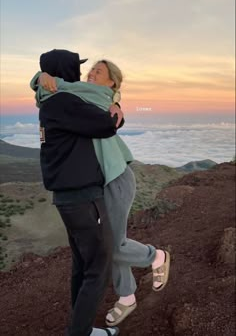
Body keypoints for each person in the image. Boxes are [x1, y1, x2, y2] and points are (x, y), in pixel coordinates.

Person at [34, 57, 171, 327]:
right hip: (99, 183)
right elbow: (54, 90)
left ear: (112, 82)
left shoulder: (96, 97)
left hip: (117, 179)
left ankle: (156, 256)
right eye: (90, 71)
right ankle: (127, 296)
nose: (91, 74)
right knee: (113, 240)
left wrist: (41, 77)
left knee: (112, 246)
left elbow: (55, 89)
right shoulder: (85, 96)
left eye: (99, 71)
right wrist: (39, 77)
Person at [30, 49, 120, 336]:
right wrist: (117, 109)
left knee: (83, 265)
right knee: (98, 268)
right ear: (64, 72)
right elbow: (106, 125)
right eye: (76, 69)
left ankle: (82, 328)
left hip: (68, 198)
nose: (81, 74)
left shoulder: (50, 101)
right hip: (83, 198)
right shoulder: (66, 102)